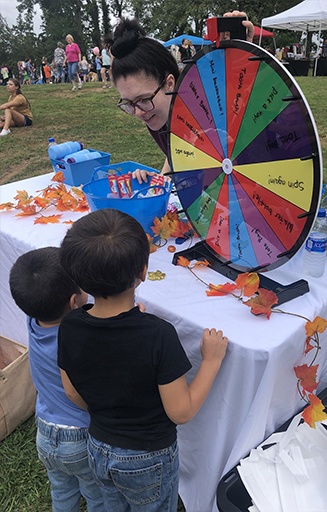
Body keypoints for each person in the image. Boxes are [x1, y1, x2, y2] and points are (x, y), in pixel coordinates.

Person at [58, 209, 228, 512]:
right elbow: (182, 411)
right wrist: (212, 361)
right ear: (143, 271)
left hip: (98, 446)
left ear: (76, 278)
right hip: (148, 459)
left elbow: (72, 393)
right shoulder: (158, 335)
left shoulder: (69, 326)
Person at [9, 247, 105, 512]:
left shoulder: (33, 319)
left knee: (62, 489)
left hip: (46, 432)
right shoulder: (79, 339)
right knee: (96, 493)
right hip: (79, 436)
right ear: (75, 301)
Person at [111, 12, 254, 183]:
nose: (138, 113)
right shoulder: (155, 113)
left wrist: (240, 54)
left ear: (169, 83)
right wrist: (160, 182)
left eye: (143, 99)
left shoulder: (209, 107)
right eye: (129, 103)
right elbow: (176, 150)